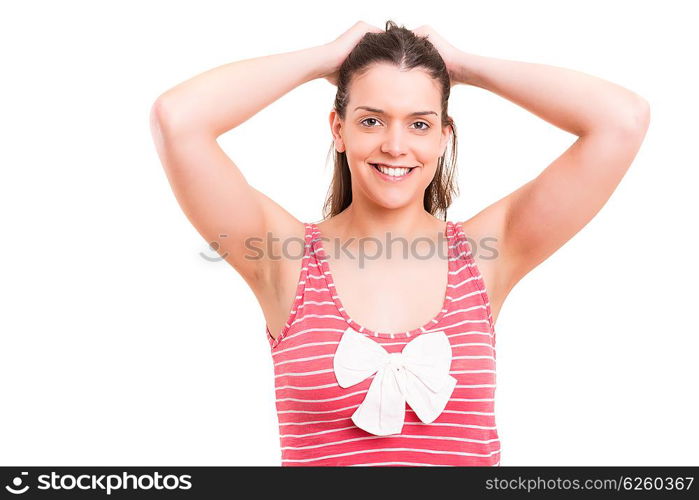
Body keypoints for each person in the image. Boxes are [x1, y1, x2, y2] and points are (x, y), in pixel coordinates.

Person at [149, 20, 650, 466]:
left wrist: (462, 67)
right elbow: (178, 120)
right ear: (337, 128)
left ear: (443, 137)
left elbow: (621, 121)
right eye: (371, 119)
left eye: (419, 123)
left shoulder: (487, 254)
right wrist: (326, 58)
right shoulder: (287, 259)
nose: (395, 145)